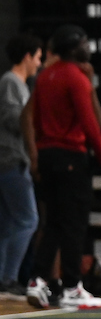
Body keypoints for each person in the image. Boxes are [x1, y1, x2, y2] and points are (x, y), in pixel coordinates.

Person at [24, 25, 101, 311]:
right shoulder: (75, 78)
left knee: (54, 221)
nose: (88, 47)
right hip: (70, 156)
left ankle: (38, 279)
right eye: (85, 42)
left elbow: (36, 119)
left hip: (49, 153)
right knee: (75, 223)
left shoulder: (45, 76)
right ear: (74, 46)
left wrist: (39, 153)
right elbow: (91, 125)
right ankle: (72, 286)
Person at [0, 34, 43, 299]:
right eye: (38, 57)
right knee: (28, 219)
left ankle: (5, 277)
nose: (39, 63)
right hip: (11, 159)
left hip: (12, 159)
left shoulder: (19, 85)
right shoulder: (11, 83)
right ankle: (9, 278)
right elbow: (13, 119)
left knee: (8, 223)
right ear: (27, 56)